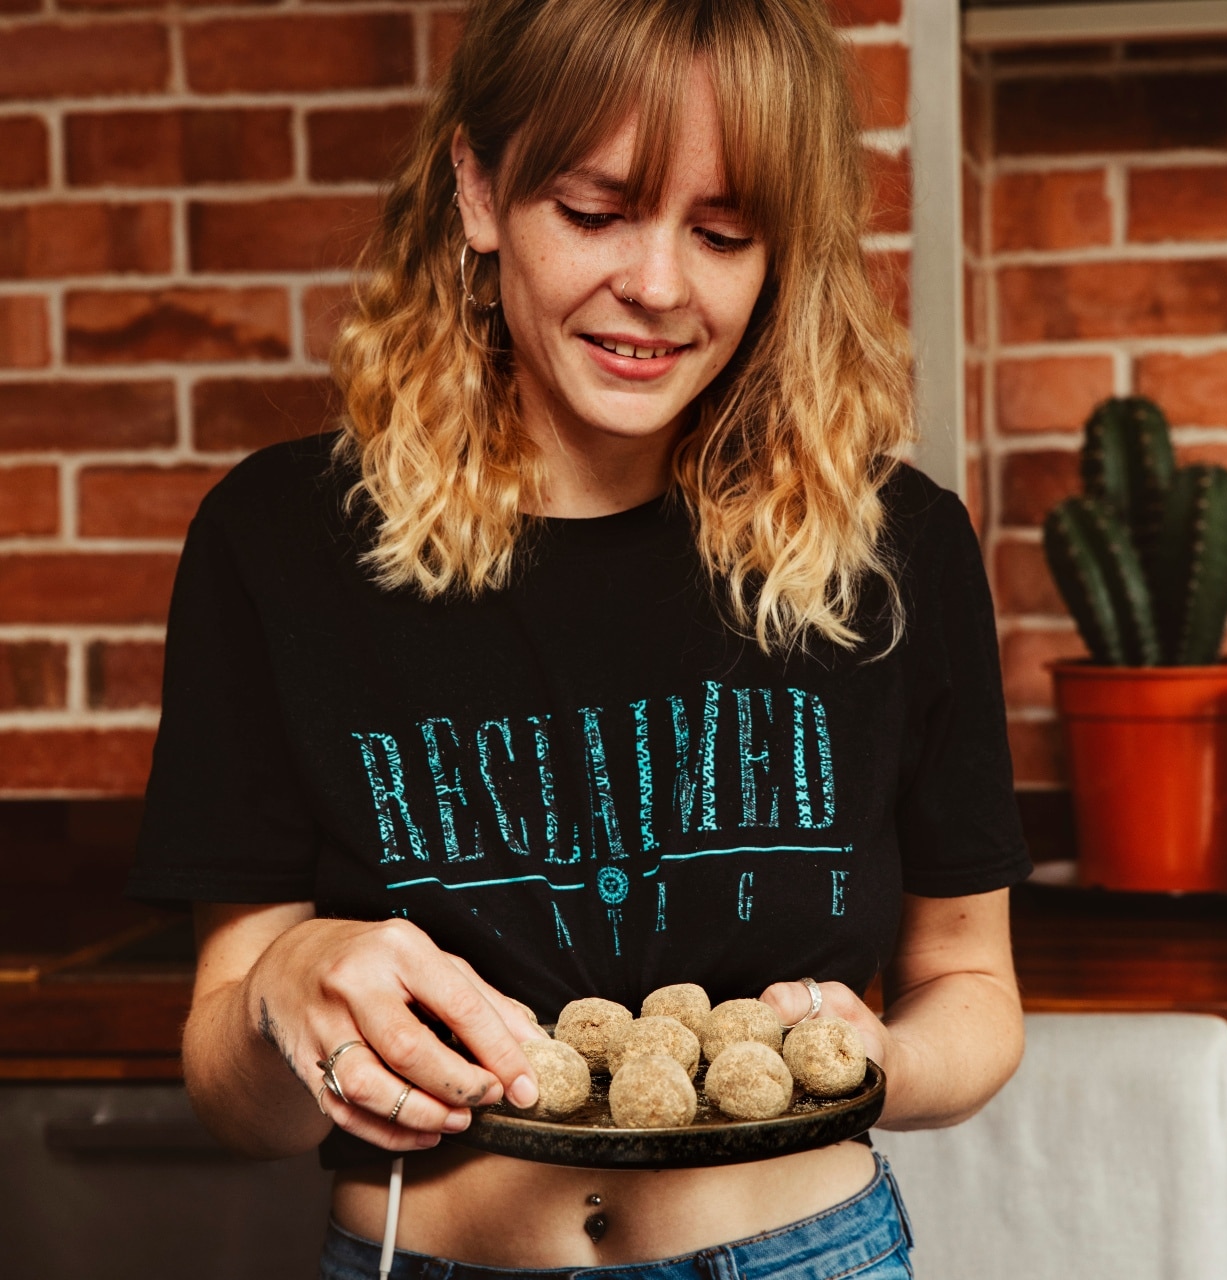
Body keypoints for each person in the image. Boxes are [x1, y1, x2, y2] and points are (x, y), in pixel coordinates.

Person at [128, 1, 1031, 1276]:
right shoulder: (277, 544)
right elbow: (237, 1096)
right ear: (481, 188)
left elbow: (972, 989)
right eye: (596, 212)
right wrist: (286, 982)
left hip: (801, 1251)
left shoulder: (894, 550)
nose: (656, 286)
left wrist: (879, 1056)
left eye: (722, 233)